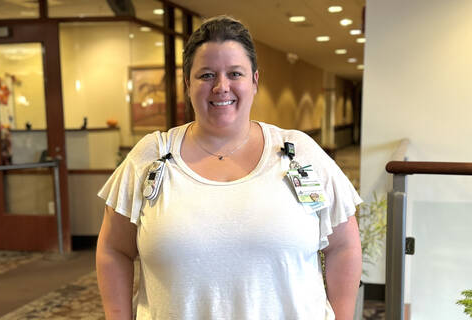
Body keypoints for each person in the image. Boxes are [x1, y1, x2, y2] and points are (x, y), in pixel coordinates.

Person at [96, 15, 362, 320]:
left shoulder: (299, 153)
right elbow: (113, 250)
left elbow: (343, 247)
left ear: (255, 81)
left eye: (234, 73)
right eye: (206, 75)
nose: (221, 87)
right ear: (187, 84)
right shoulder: (152, 157)